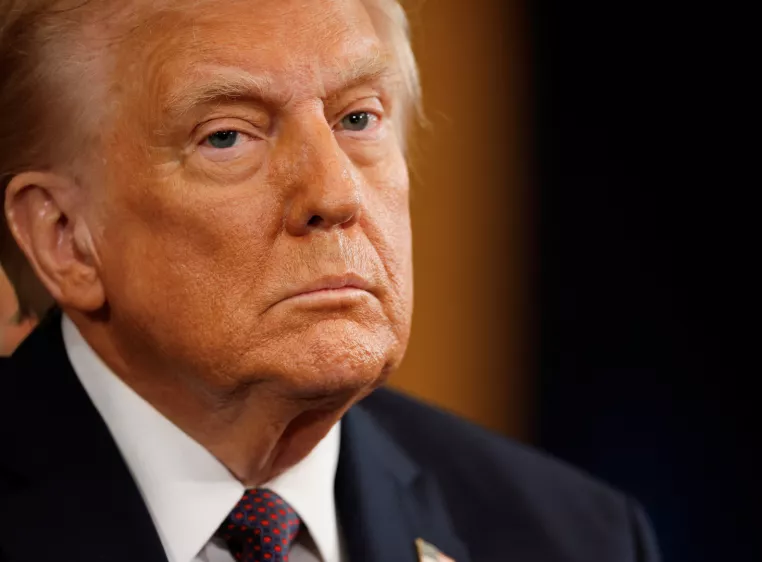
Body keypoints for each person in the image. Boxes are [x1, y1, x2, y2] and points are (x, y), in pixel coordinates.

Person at [0, 1, 661, 561]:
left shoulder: (574, 537)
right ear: (66, 238)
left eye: (357, 119)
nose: (336, 192)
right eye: (228, 136)